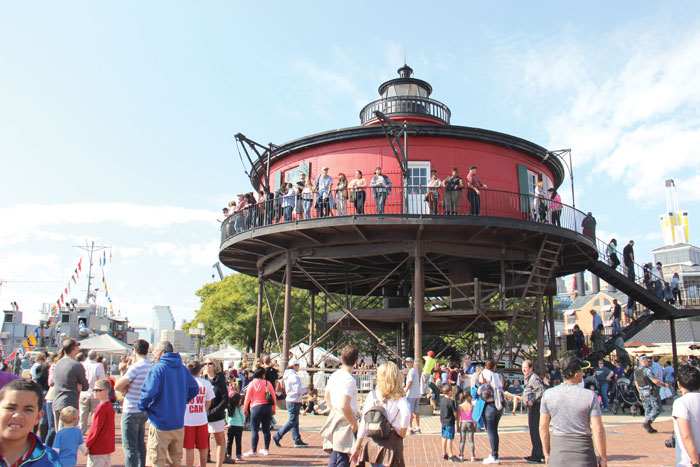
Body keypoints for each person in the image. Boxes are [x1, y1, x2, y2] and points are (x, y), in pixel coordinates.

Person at [138, 340, 199, 467]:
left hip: (160, 422)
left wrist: (143, 406)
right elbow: (194, 388)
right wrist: (182, 401)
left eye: (155, 352)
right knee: (176, 461)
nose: (154, 355)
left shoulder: (158, 368)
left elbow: (148, 392)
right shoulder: (183, 369)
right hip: (178, 423)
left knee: (156, 461)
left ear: (162, 352)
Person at [539, 357, 606, 467]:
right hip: (583, 454)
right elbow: (598, 430)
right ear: (576, 375)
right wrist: (603, 457)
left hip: (558, 454)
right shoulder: (589, 396)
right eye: (581, 371)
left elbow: (543, 428)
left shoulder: (548, 395)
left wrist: (546, 453)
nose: (583, 373)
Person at [350, 361, 410, 467]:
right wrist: (402, 432)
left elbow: (364, 422)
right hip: (391, 442)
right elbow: (406, 414)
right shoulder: (398, 396)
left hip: (373, 441)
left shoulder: (372, 395)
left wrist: (357, 446)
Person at [0, 378, 63, 467]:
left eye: (28, 410)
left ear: (38, 417)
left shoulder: (50, 459)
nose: (17, 415)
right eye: (10, 408)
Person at [114, 339, 152, 467]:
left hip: (131, 409)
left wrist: (124, 390)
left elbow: (117, 385)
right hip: (144, 409)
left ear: (134, 351)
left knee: (130, 446)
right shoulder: (151, 367)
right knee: (140, 443)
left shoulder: (136, 367)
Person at [321, 345, 359, 467]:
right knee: (343, 454)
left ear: (341, 358)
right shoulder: (349, 380)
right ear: (357, 361)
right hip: (346, 418)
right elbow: (344, 405)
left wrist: (332, 408)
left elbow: (327, 395)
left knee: (336, 452)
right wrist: (353, 423)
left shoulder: (334, 375)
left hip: (335, 415)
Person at [53, 339, 88, 432]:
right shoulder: (76, 365)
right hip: (69, 404)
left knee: (59, 435)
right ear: (73, 348)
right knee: (67, 436)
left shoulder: (57, 363)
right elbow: (85, 386)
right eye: (77, 346)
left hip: (57, 401)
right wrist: (79, 385)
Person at [183, 362, 214, 467]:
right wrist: (202, 409)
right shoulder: (206, 383)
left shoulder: (185, 383)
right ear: (200, 370)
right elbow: (209, 402)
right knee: (203, 446)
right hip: (201, 418)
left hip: (188, 419)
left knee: (189, 447)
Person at [273, 357, 307, 447]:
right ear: (294, 366)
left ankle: (297, 439)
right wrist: (305, 390)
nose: (298, 367)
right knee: (292, 421)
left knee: (295, 421)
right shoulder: (294, 376)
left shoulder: (287, 375)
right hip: (294, 400)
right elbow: (297, 390)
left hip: (290, 399)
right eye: (297, 365)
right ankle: (278, 435)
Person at [242, 366, 276, 457]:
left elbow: (247, 398)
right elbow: (273, 396)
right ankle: (266, 449)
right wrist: (274, 408)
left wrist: (245, 409)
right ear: (263, 374)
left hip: (256, 407)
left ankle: (253, 450)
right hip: (267, 407)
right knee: (266, 429)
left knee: (255, 430)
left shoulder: (252, 384)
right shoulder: (267, 383)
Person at [672, 365, 700, 467]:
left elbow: (686, 435)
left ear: (679, 384)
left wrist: (696, 462)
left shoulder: (681, 403)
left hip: (689, 461)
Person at [634, 354, 670, 433]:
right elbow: (655, 381)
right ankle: (648, 422)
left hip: (642, 391)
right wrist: (664, 385)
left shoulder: (636, 371)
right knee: (657, 408)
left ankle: (648, 426)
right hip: (650, 391)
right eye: (647, 361)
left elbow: (636, 382)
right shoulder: (647, 370)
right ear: (643, 361)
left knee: (648, 408)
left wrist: (639, 392)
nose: (648, 362)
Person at [478, 359, 504, 464]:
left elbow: (482, 393)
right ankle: (494, 453)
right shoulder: (498, 376)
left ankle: (494, 455)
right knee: (494, 431)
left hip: (489, 406)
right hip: (499, 406)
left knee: (490, 431)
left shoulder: (484, 375)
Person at [204, 359, 229, 467]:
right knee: (203, 441)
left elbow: (225, 399)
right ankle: (204, 460)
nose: (207, 366)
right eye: (206, 363)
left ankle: (219, 464)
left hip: (216, 414)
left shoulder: (220, 380)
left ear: (215, 366)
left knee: (219, 440)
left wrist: (215, 411)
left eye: (210, 363)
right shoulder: (202, 379)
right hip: (203, 415)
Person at [84, 379, 115, 467]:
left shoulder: (101, 408)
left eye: (98, 390)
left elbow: (95, 429)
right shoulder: (109, 405)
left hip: (98, 447)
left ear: (106, 391)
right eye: (94, 390)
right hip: (106, 446)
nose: (95, 392)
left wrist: (87, 444)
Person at [521, 360, 545, 464]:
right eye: (523, 367)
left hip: (536, 407)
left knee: (535, 430)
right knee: (533, 430)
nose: (523, 369)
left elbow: (541, 390)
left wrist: (532, 400)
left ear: (531, 368)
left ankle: (537, 455)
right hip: (532, 408)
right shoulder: (528, 378)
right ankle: (538, 452)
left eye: (526, 367)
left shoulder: (534, 378)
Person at [79, 350, 106, 435]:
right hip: (94, 391)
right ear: (96, 356)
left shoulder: (82, 364)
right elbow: (101, 380)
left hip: (83, 392)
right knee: (94, 414)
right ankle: (93, 431)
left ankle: (81, 431)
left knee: (83, 413)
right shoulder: (98, 366)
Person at [439, 384, 458, 461]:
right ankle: (450, 454)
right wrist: (456, 418)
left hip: (443, 421)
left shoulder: (442, 400)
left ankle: (444, 453)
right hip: (450, 421)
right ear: (450, 392)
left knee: (444, 437)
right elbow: (455, 413)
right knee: (450, 438)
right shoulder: (451, 402)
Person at [403, 357, 421, 434]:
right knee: (416, 412)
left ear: (412, 362)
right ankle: (418, 427)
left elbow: (409, 382)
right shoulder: (416, 371)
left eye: (408, 362)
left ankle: (410, 428)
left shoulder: (411, 372)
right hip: (417, 394)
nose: (407, 364)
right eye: (406, 362)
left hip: (411, 394)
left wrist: (405, 390)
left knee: (409, 412)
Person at [225, 393, 244, 463]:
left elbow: (227, 418)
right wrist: (242, 423)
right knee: (238, 442)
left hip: (231, 426)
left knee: (229, 441)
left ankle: (228, 454)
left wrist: (229, 423)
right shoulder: (239, 409)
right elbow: (243, 417)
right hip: (239, 427)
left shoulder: (229, 408)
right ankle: (238, 455)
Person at [457, 392, 476, 462]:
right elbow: (474, 416)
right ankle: (472, 455)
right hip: (470, 422)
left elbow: (458, 417)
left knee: (462, 440)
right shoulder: (472, 406)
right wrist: (475, 425)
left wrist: (457, 425)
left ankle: (461, 454)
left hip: (463, 422)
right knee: (471, 440)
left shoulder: (460, 406)